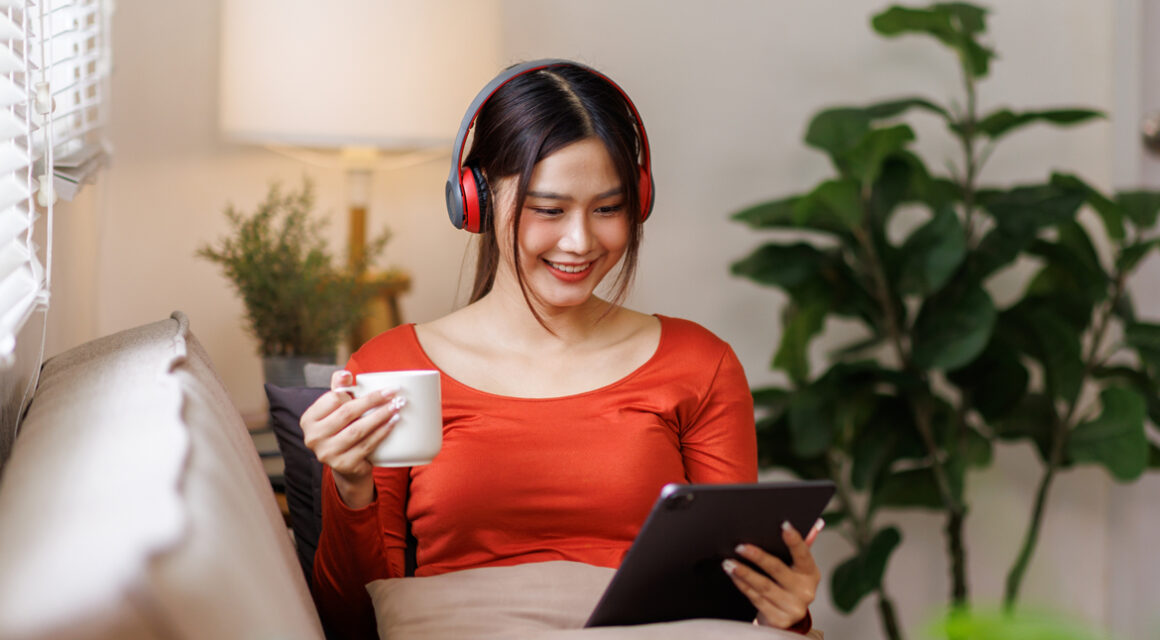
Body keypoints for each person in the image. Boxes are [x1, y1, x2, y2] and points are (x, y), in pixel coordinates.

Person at [301, 59, 822, 638]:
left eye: (608, 209)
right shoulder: (392, 370)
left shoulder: (699, 364)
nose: (580, 241)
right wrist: (351, 489)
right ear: (475, 200)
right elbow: (354, 622)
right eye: (549, 210)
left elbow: (735, 604)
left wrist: (786, 610)